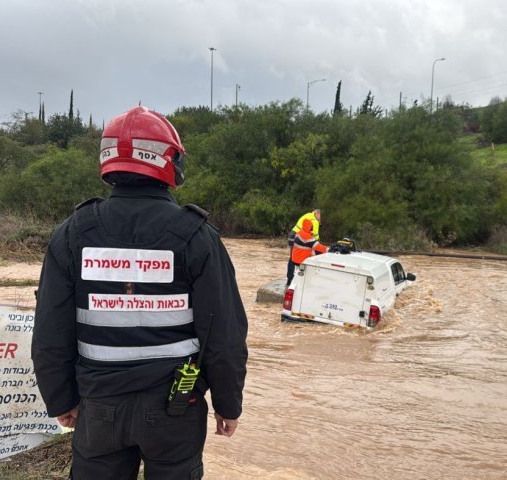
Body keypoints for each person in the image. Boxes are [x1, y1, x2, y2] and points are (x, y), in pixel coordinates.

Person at [31, 106, 248, 480]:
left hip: (98, 404)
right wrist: (228, 404)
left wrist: (60, 398)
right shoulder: (196, 236)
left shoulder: (72, 233)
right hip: (176, 408)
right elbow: (224, 332)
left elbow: (51, 328)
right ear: (169, 160)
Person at [286, 209, 321, 285]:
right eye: (319, 215)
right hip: (299, 236)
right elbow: (315, 236)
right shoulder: (314, 220)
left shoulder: (308, 215)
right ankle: (303, 280)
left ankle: (290, 279)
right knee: (305, 258)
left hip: (292, 235)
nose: (320, 218)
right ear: (317, 214)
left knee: (292, 257)